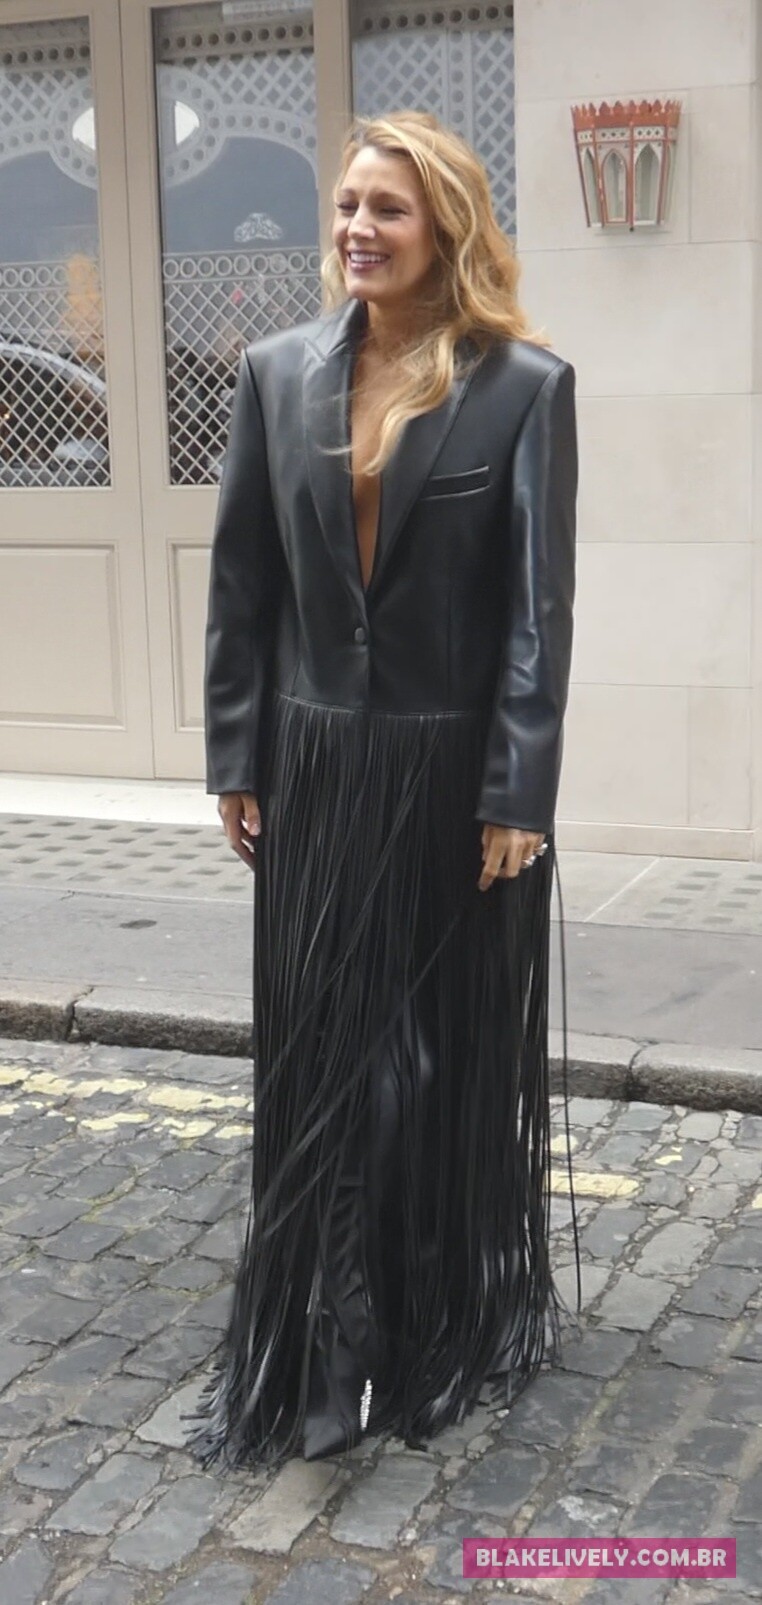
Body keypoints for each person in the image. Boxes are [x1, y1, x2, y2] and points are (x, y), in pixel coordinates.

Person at [188, 109, 578, 1471]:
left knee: (427, 1063)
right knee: (326, 1059)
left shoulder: (522, 387)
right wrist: (236, 756)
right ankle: (333, 1334)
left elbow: (535, 614)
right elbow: (242, 585)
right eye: (348, 204)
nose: (357, 227)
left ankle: (434, 1308)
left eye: (388, 209)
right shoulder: (273, 372)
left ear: (445, 230)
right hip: (315, 775)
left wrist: (517, 792)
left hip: (452, 785)